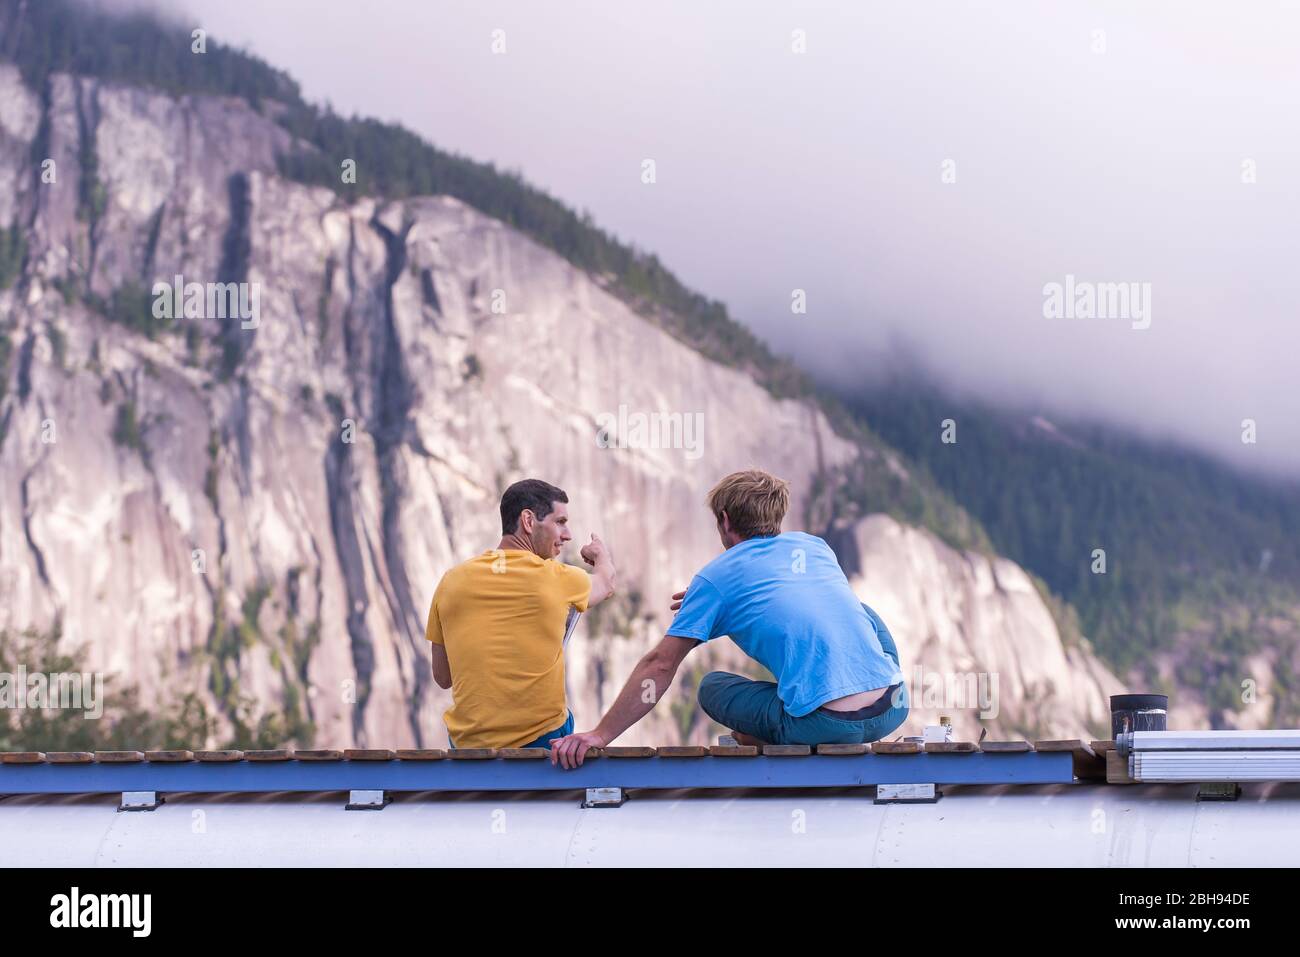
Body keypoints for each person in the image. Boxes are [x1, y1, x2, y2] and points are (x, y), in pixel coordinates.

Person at [550, 468, 907, 768]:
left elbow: (660, 665)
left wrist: (600, 735)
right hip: (891, 706)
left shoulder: (716, 578)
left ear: (724, 520)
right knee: (861, 611)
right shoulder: (814, 547)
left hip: (826, 726)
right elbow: (799, 605)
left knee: (713, 687)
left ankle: (767, 735)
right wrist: (714, 599)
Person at [426, 478, 616, 749]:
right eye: (560, 522)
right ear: (528, 520)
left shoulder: (451, 581)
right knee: (563, 719)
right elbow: (606, 583)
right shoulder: (556, 577)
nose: (568, 534)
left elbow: (443, 677)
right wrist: (600, 554)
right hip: (541, 742)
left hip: (468, 745)